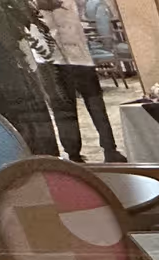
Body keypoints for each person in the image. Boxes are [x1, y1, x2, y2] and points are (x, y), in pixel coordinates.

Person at [37, 0, 127, 163]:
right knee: (64, 109)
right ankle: (74, 155)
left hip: (79, 53)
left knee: (95, 103)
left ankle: (110, 149)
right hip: (52, 58)